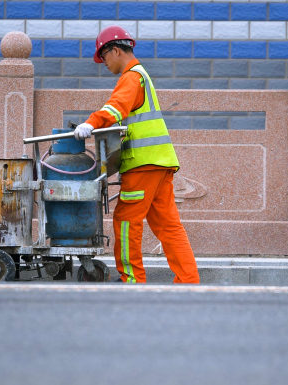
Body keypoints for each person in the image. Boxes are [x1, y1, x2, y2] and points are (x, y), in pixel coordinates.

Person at [74, 25, 200, 284]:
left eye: (104, 57)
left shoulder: (132, 76)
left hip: (143, 165)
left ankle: (131, 279)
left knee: (126, 220)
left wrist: (91, 123)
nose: (104, 63)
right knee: (168, 226)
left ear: (116, 50)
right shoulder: (142, 75)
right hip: (160, 163)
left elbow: (116, 107)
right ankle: (188, 281)